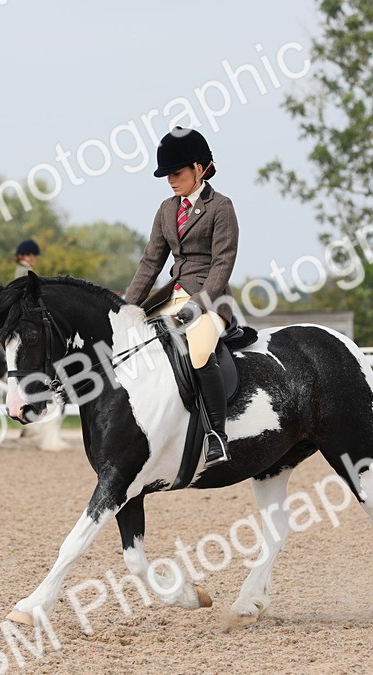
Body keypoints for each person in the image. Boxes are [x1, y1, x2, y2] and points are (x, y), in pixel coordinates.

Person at [122, 127, 238, 465]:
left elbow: (223, 262)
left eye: (177, 173)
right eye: (167, 175)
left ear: (199, 169)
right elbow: (150, 262)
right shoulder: (166, 209)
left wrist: (199, 303)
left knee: (200, 351)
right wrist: (128, 306)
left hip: (211, 300)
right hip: (170, 296)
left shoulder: (221, 207)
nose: (171, 180)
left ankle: (217, 434)